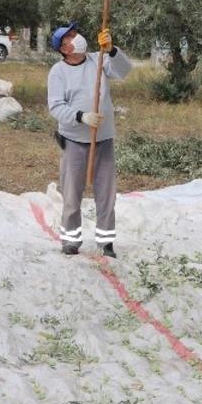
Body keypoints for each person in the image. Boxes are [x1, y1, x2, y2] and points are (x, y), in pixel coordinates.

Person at [46, 22, 132, 258]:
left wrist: (112, 50)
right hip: (73, 140)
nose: (77, 37)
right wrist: (81, 117)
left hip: (103, 139)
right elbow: (55, 106)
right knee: (72, 193)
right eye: (70, 37)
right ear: (64, 49)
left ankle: (106, 242)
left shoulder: (98, 59)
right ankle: (71, 240)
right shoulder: (58, 72)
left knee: (106, 194)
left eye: (75, 33)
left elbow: (124, 70)